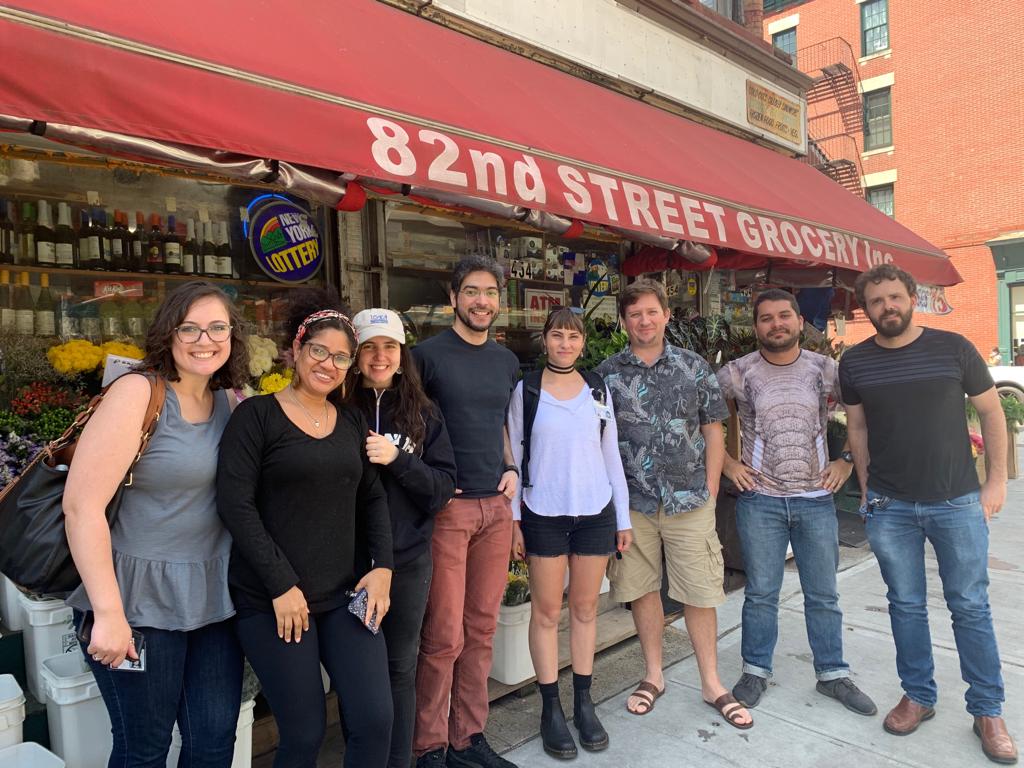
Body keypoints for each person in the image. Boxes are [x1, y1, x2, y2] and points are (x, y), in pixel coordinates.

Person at [64, 280, 249, 767]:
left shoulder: (232, 401)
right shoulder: (137, 393)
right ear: (168, 333)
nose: (203, 339)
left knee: (213, 744)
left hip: (214, 601)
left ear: (233, 335)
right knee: (143, 750)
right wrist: (107, 613)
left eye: (216, 328)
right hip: (136, 601)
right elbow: (81, 507)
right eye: (189, 327)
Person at [840, 264, 1016, 765]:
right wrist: (869, 489)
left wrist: (996, 481)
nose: (886, 307)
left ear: (912, 296)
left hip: (956, 501)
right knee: (906, 605)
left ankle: (987, 709)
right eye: (876, 302)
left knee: (970, 607)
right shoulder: (854, 362)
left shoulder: (954, 348)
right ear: (866, 309)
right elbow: (857, 429)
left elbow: (991, 412)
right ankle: (918, 695)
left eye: (894, 297)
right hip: (891, 507)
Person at [217, 289, 394, 768]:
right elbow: (236, 505)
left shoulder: (352, 421)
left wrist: (383, 570)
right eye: (319, 351)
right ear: (295, 350)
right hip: (274, 600)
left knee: (376, 720)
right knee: (304, 733)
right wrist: (281, 583)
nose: (329, 364)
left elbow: (372, 498)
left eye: (341, 357)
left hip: (344, 596)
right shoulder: (256, 417)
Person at [595, 278, 752, 729]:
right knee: (642, 589)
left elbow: (713, 429)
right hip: (634, 503)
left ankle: (711, 682)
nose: (643, 321)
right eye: (634, 314)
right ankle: (653, 675)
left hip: (689, 500)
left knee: (700, 591)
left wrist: (709, 488)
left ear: (666, 315)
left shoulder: (694, 366)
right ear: (624, 321)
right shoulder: (607, 373)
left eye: (651, 312)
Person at [717, 288, 876, 717]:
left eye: (784, 316)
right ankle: (755, 670)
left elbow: (864, 418)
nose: (776, 324)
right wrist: (729, 464)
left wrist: (845, 461)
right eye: (766, 318)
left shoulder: (827, 370)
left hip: (815, 501)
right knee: (762, 593)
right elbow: (701, 419)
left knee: (823, 594)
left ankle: (832, 674)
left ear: (800, 321)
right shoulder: (737, 373)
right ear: (756, 327)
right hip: (761, 501)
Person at [507, 307, 633, 759]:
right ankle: (550, 708)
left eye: (573, 337)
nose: (565, 343)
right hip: (543, 511)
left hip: (594, 510)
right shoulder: (528, 390)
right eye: (557, 335)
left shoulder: (598, 388)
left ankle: (584, 701)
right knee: (545, 612)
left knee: (584, 609)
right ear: (545, 340)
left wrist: (623, 518)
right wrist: (514, 519)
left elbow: (610, 454)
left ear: (583, 343)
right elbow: (514, 456)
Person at [412, 255, 521, 768]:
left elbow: (502, 423)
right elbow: (410, 431)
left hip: (495, 507)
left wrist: (512, 469)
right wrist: (434, 486)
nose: (482, 301)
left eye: (491, 292)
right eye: (473, 291)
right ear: (453, 297)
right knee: (443, 635)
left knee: (482, 628)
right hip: (449, 511)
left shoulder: (504, 360)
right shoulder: (426, 356)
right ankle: (430, 744)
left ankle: (468, 737)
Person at [350, 308, 457, 768]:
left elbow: (442, 489)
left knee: (399, 668)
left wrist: (397, 458)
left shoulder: (423, 412)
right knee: (355, 672)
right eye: (369, 347)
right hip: (347, 562)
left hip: (408, 561)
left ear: (401, 355)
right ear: (354, 355)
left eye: (388, 347)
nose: (379, 356)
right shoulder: (336, 407)